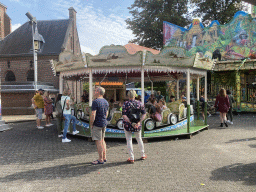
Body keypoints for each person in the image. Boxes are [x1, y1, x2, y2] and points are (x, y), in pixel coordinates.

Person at [122, 89, 147, 164]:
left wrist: (130, 122)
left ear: (128, 96)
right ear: (135, 95)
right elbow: (144, 114)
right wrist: (139, 122)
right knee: (139, 139)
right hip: (137, 124)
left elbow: (124, 115)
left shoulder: (125, 104)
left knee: (129, 140)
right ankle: (143, 154)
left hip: (128, 124)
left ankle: (131, 157)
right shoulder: (140, 103)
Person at [90, 86, 109, 165]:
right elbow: (107, 113)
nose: (94, 92)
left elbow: (93, 114)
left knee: (98, 142)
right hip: (104, 123)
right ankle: (104, 157)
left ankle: (100, 159)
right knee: (102, 140)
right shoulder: (106, 102)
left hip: (97, 124)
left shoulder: (95, 102)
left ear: (98, 92)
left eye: (95, 91)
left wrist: (91, 124)